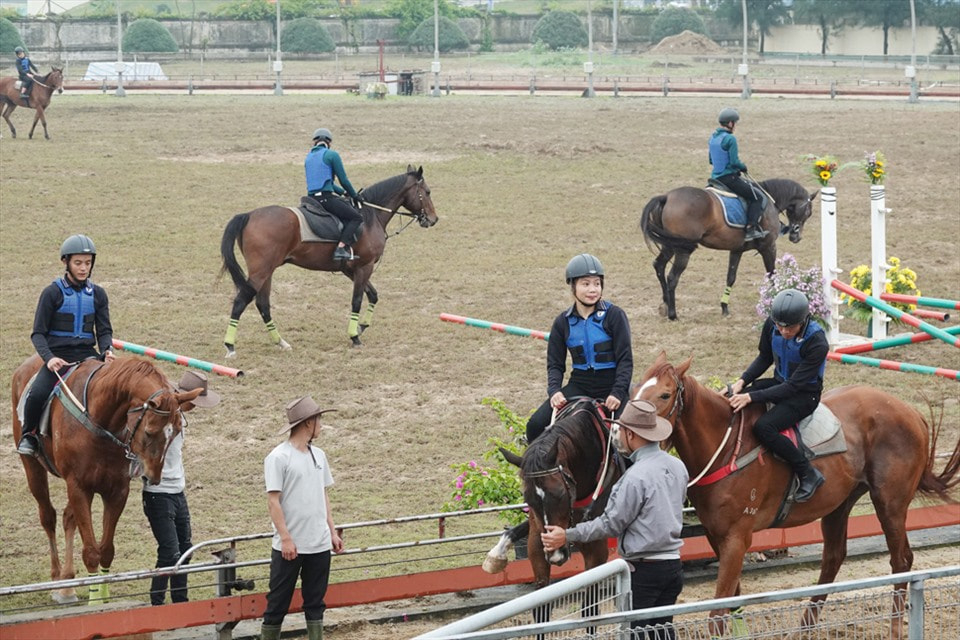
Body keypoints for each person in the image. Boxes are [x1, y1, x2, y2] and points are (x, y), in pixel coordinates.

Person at [542, 399, 688, 640]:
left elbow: (610, 524)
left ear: (630, 433)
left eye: (621, 431)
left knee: (635, 634)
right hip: (673, 566)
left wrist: (566, 535)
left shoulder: (634, 478)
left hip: (643, 570)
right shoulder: (677, 467)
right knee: (662, 632)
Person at [727, 288, 828, 503]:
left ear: (803, 320)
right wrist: (741, 382)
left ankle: (807, 473)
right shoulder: (773, 325)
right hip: (780, 382)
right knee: (735, 399)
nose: (783, 331)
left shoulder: (817, 342)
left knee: (764, 427)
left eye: (789, 327)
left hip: (803, 395)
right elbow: (764, 357)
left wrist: (752, 397)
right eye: (779, 326)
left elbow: (792, 387)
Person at [18, 235, 115, 457]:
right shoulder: (51, 293)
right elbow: (38, 334)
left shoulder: (98, 294)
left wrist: (106, 349)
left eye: (88, 263)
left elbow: (104, 330)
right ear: (66, 262)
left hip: (89, 356)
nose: (83, 268)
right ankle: (29, 435)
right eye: (78, 263)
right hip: (58, 358)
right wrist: (49, 358)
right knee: (36, 394)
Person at [525, 253, 633, 443]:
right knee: (534, 425)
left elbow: (625, 360)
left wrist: (617, 392)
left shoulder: (615, 315)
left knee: (628, 434)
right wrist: (555, 391)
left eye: (597, 283)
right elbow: (555, 365)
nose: (593, 289)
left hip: (612, 384)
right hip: (580, 384)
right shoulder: (562, 322)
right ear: (573, 286)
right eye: (586, 284)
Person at [261, 396, 344, 640]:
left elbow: (323, 495)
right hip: (290, 546)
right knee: (277, 603)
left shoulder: (319, 455)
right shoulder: (278, 457)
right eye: (319, 419)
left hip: (318, 543)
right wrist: (285, 538)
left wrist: (331, 531)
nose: (322, 425)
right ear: (308, 423)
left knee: (316, 602)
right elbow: (273, 500)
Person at [142, 370, 221, 606]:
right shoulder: (160, 417)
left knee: (185, 549)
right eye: (194, 404)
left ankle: (180, 602)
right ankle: (157, 603)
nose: (195, 409)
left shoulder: (180, 419)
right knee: (169, 552)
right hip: (158, 495)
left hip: (178, 491)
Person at [304, 127, 365, 262]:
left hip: (311, 199)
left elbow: (327, 182)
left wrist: (342, 193)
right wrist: (354, 195)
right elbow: (344, 180)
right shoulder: (331, 155)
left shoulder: (308, 158)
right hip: (326, 199)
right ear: (329, 142)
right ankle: (341, 248)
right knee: (356, 218)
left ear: (314, 142)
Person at [709, 107, 767, 242]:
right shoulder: (730, 139)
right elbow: (734, 162)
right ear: (730, 123)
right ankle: (751, 229)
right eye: (735, 123)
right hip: (729, 178)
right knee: (757, 197)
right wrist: (743, 167)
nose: (735, 126)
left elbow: (711, 160)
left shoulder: (713, 138)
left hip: (715, 179)